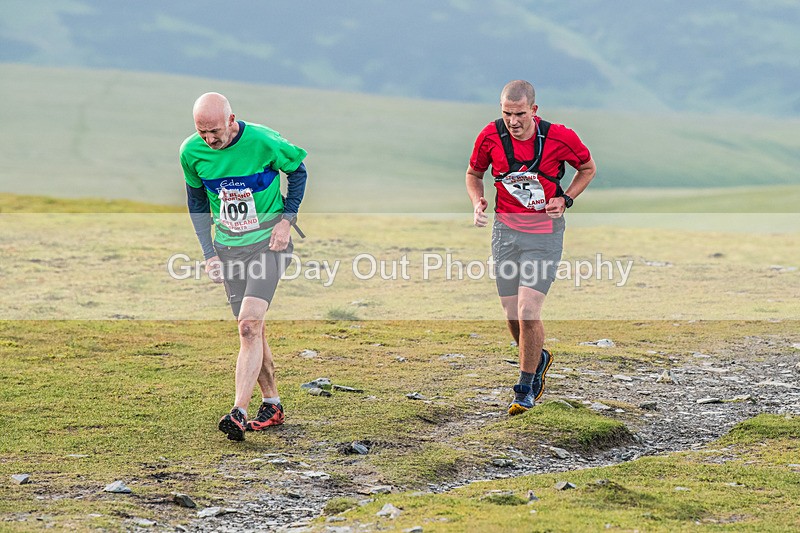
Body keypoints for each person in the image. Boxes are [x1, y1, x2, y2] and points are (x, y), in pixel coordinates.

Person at [180, 92, 308, 440]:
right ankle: (273, 404)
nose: (210, 139)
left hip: (269, 243)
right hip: (227, 248)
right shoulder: (191, 153)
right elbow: (196, 205)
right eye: (202, 132)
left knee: (249, 325)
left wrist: (286, 221)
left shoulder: (264, 141)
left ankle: (238, 411)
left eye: (216, 131)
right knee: (252, 329)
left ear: (231, 120)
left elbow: (298, 171)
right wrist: (209, 254)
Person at [466, 80, 596, 415]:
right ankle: (539, 358)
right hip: (505, 233)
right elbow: (473, 173)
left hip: (544, 234)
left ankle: (524, 389)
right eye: (507, 113)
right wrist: (477, 201)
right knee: (512, 314)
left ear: (533, 110)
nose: (513, 121)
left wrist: (566, 198)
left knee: (527, 311)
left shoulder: (560, 136)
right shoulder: (489, 136)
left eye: (520, 113)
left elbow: (587, 168)